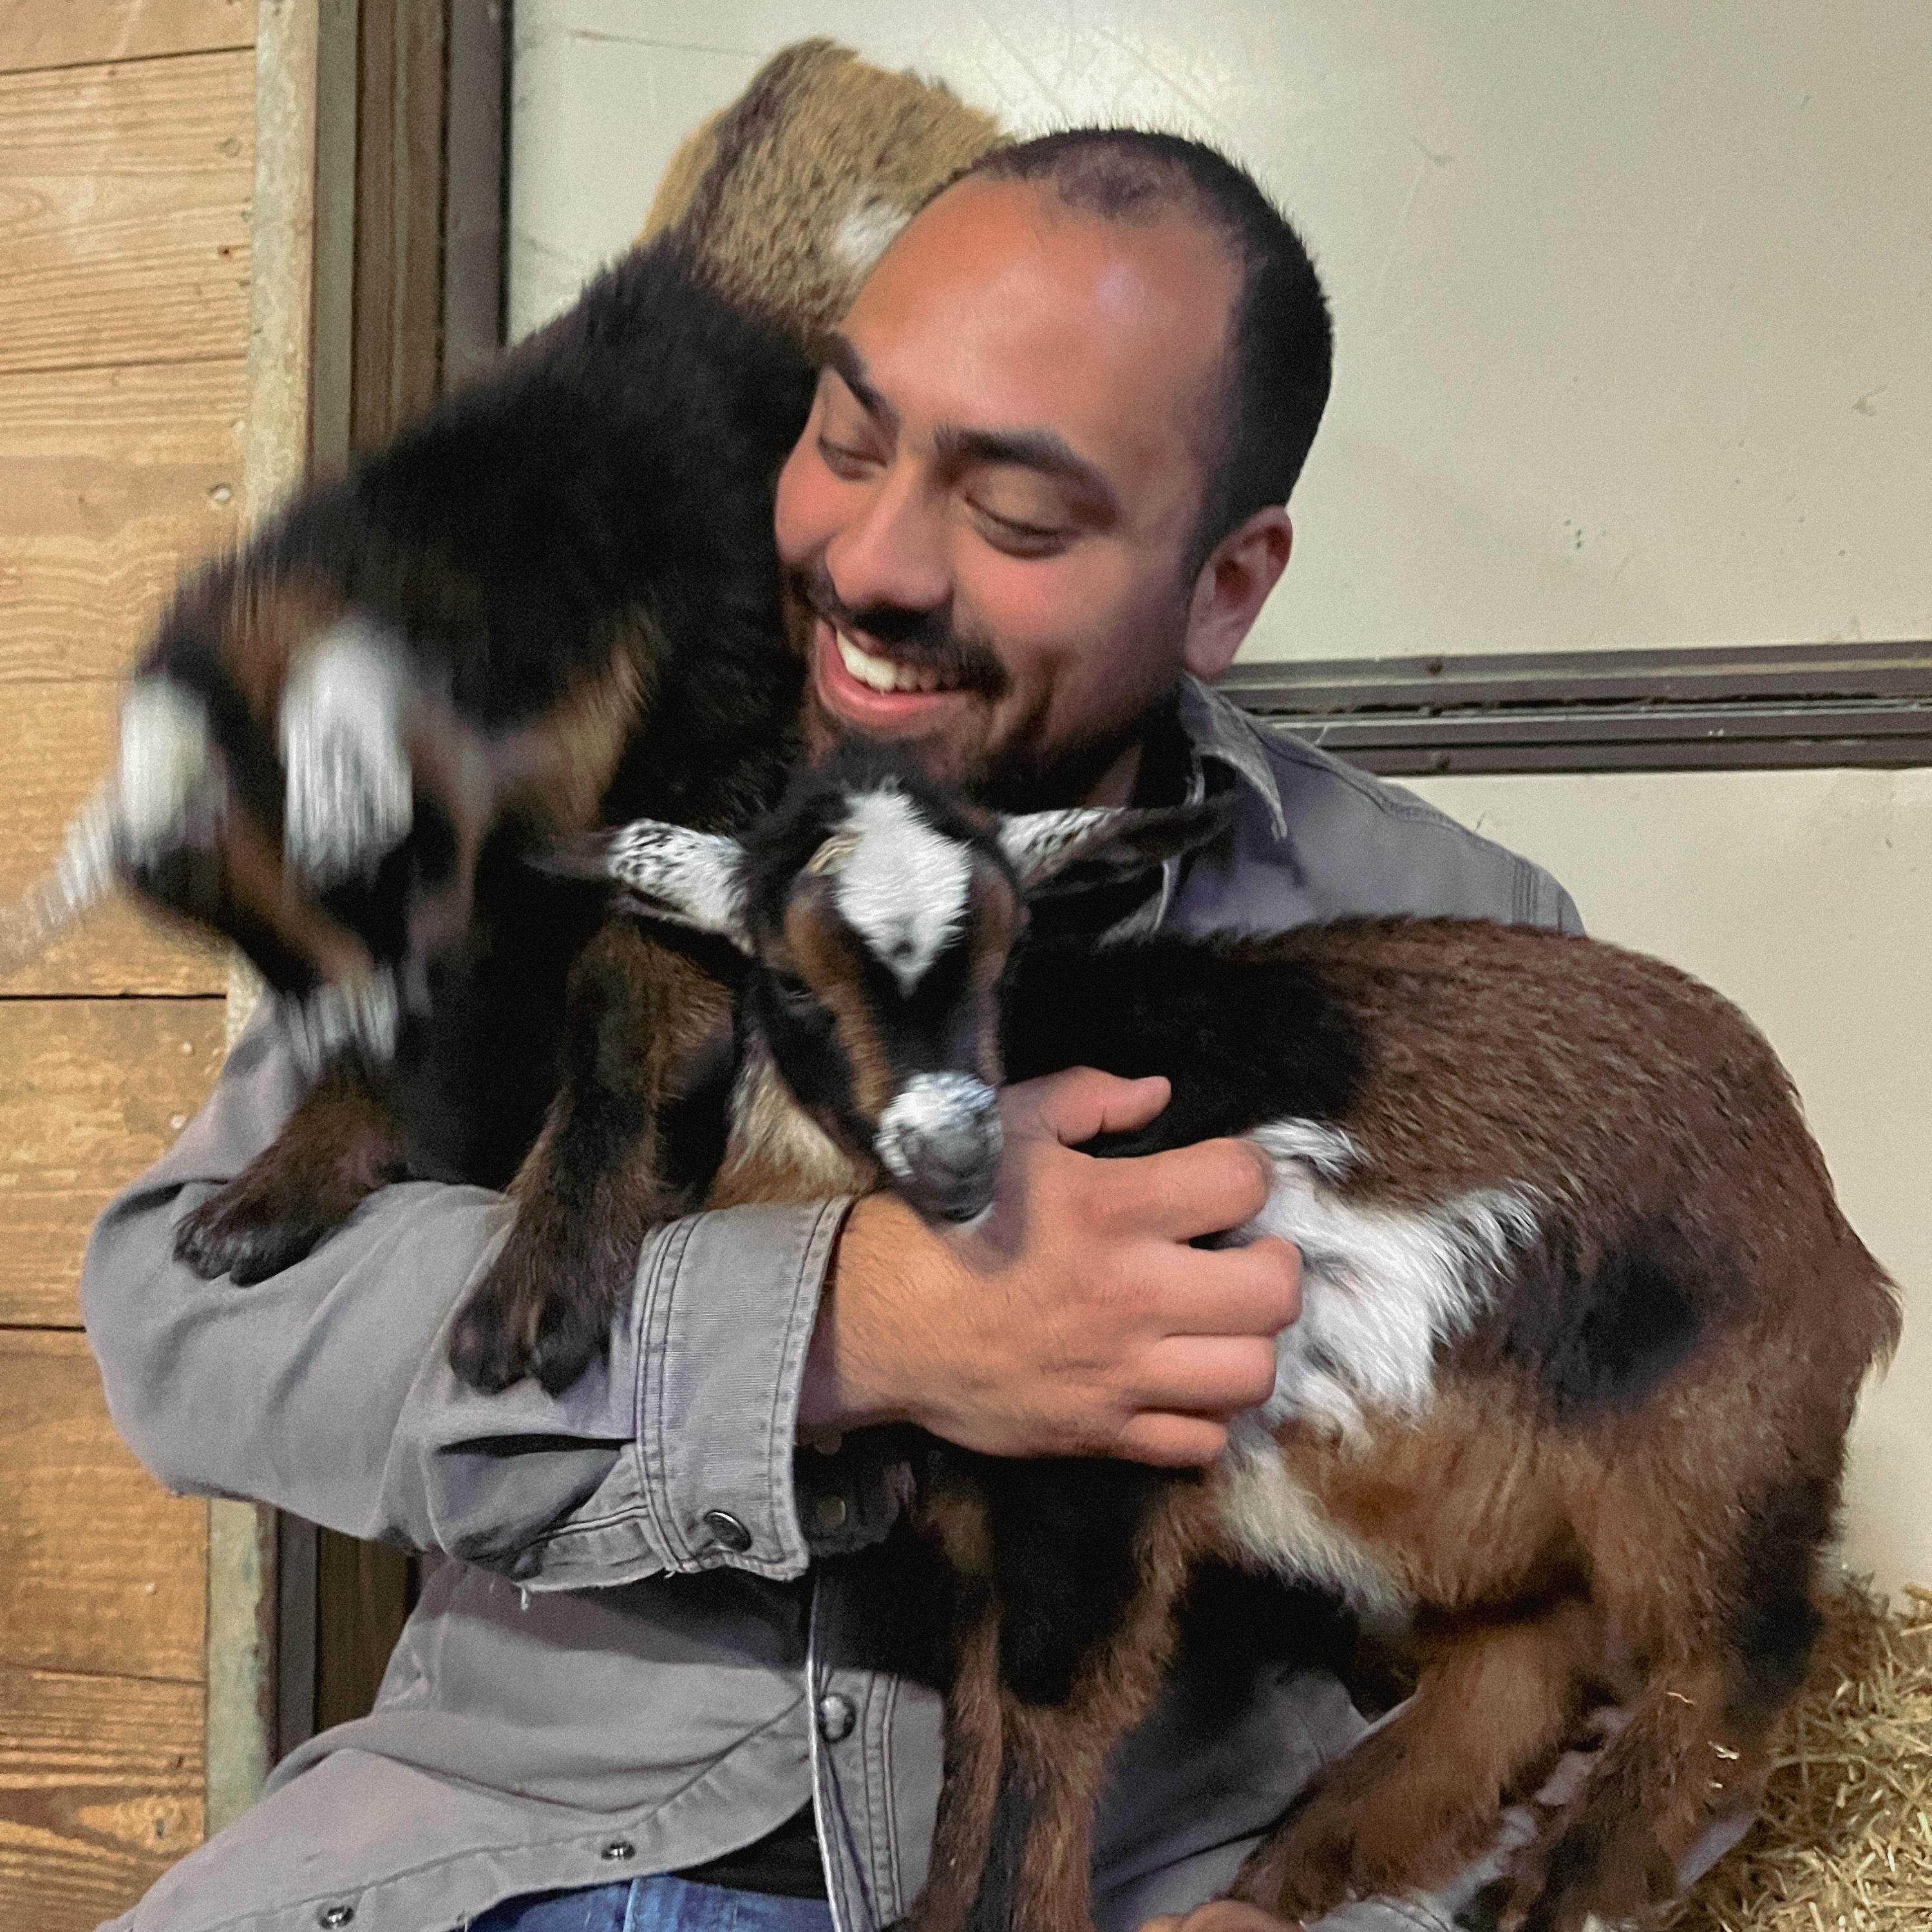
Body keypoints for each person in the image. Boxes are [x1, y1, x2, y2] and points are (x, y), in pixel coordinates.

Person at [84, 130, 1589, 1932]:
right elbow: (188, 1326)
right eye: (844, 440)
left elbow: (1635, 1599)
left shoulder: (1454, 941)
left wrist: (1328, 1906)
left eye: (1017, 517)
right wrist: (843, 1327)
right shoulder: (558, 806)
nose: (868, 567)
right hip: (521, 1861)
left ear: (1227, 584)